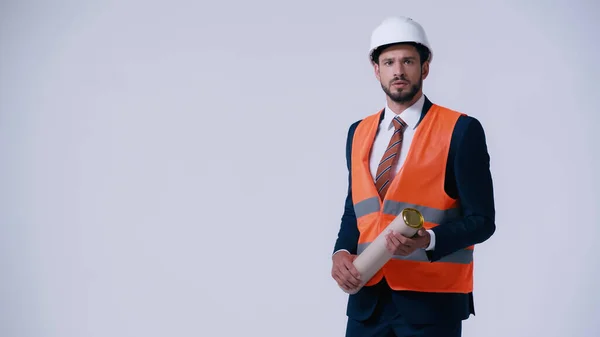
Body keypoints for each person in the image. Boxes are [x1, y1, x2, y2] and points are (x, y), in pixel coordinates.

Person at [331, 16, 496, 337]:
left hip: (432, 303)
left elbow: (482, 220)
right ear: (376, 69)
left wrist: (429, 241)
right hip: (368, 300)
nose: (398, 71)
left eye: (408, 60)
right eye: (389, 61)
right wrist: (340, 254)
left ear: (425, 67)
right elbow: (357, 208)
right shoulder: (358, 132)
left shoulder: (460, 130)